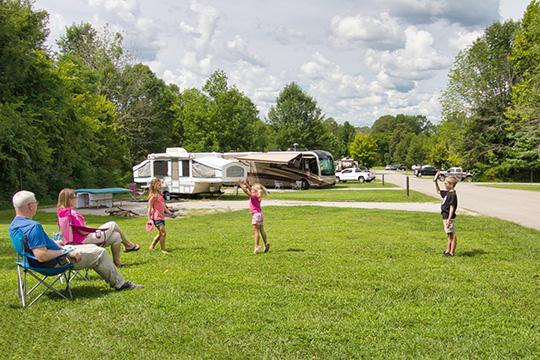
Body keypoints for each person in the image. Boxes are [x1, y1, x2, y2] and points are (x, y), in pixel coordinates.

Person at [9, 190, 142, 290]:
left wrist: (54, 244)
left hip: (32, 262)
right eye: (36, 203)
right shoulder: (33, 227)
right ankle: (120, 284)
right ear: (31, 206)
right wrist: (65, 252)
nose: (37, 205)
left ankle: (119, 274)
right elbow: (42, 255)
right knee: (100, 252)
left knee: (98, 248)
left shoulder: (14, 225)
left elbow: (33, 247)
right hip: (55, 262)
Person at [56, 188, 140, 267]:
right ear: (69, 200)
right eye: (74, 198)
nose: (76, 200)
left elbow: (75, 229)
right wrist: (93, 230)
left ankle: (117, 263)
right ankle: (129, 245)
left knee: (116, 236)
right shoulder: (72, 213)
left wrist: (87, 227)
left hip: (72, 243)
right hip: (83, 241)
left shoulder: (61, 213)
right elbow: (83, 232)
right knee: (113, 224)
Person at [239, 180, 269, 254]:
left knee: (256, 231)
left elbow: (247, 192)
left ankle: (256, 246)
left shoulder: (253, 196)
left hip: (256, 215)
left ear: (254, 190)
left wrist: (241, 186)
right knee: (262, 229)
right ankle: (266, 244)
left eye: (252, 188)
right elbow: (250, 190)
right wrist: (247, 184)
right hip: (260, 214)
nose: (250, 188)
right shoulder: (258, 195)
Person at [147, 178, 175, 253]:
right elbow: (149, 208)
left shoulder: (160, 195)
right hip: (156, 218)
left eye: (160, 184)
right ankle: (163, 250)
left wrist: (170, 213)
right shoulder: (153, 196)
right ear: (153, 185)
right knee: (163, 233)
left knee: (160, 233)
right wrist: (149, 219)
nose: (160, 186)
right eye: (159, 185)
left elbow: (163, 207)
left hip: (161, 217)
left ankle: (152, 246)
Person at [434, 172, 459, 256]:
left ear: (451, 185)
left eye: (446, 183)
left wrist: (449, 218)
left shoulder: (452, 195)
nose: (444, 184)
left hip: (449, 218)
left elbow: (452, 207)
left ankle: (452, 252)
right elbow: (438, 191)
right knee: (449, 235)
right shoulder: (447, 193)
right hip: (445, 217)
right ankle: (447, 251)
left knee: (452, 235)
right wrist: (435, 181)